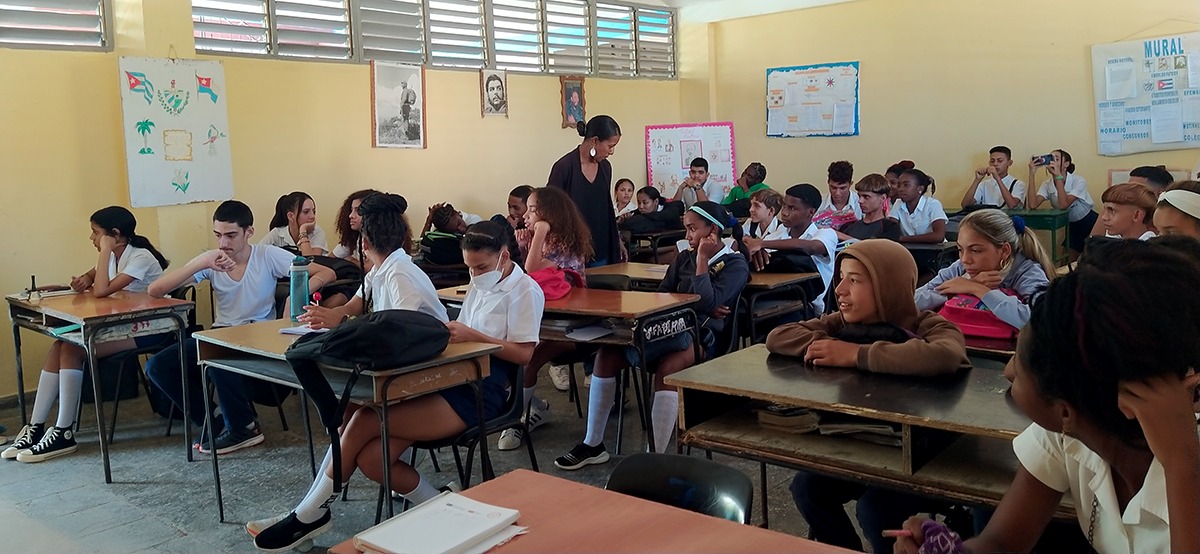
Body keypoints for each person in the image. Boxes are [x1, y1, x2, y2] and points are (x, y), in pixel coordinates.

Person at [251, 221, 544, 552]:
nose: (474, 275)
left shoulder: (526, 290)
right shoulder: (479, 283)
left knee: (365, 418)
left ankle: (309, 514)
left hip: (484, 392)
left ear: (504, 256)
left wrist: (473, 335)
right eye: (470, 268)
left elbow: (524, 354)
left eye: (481, 267)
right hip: (450, 377)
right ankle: (446, 508)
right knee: (373, 460)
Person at [895, 239, 1200, 554]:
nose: (1010, 371)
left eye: (1021, 360)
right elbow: (1001, 543)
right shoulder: (1068, 433)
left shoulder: (1184, 459)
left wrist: (1182, 463)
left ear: (1066, 409)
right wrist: (954, 551)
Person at [765, 239, 970, 553]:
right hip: (862, 444)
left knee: (875, 509)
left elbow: (945, 355)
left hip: (920, 458)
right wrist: (828, 345)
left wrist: (855, 354)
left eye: (855, 280)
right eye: (841, 278)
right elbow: (779, 336)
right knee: (807, 488)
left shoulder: (928, 325)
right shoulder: (843, 322)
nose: (840, 290)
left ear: (889, 286)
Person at [555, 202, 750, 469]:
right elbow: (663, 295)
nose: (687, 236)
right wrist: (698, 302)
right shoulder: (684, 258)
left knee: (669, 367)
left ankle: (654, 455)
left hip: (702, 337)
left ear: (712, 231)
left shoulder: (735, 264)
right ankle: (593, 444)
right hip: (664, 329)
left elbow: (706, 301)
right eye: (686, 229)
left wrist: (703, 262)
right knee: (606, 354)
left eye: (692, 229)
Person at [144, 201, 335, 454]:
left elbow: (326, 272)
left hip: (256, 337)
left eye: (231, 235)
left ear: (249, 232)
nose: (223, 243)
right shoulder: (213, 261)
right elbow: (155, 290)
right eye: (218, 235)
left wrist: (296, 293)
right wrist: (202, 262)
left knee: (219, 358)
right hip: (220, 335)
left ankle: (244, 427)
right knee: (157, 366)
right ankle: (215, 421)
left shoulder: (266, 255)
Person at [2, 207, 168, 463]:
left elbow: (101, 290)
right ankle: (36, 426)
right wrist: (83, 280)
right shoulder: (115, 255)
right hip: (122, 325)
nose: (92, 238)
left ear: (114, 234)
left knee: (72, 348)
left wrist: (104, 252)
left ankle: (63, 431)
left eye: (95, 233)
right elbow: (92, 278)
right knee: (60, 345)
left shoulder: (140, 257)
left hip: (150, 330)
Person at [494, 187, 593, 451]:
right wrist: (523, 244)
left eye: (532, 210)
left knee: (528, 360)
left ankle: (513, 422)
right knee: (503, 356)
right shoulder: (542, 239)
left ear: (550, 214)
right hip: (544, 322)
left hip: (573, 329)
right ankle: (535, 407)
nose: (525, 215)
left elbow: (531, 269)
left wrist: (539, 233)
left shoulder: (563, 242)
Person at [914, 209, 1054, 330]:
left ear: (1005, 251)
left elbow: (1042, 318)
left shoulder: (1026, 271)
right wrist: (958, 288)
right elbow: (912, 301)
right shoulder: (960, 268)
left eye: (975, 250)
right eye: (960, 249)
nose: (965, 259)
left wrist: (977, 289)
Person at [742, 183, 838, 314]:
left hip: (808, 307)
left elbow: (809, 247)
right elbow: (761, 249)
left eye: (792, 208)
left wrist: (762, 244)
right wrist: (758, 251)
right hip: (778, 299)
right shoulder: (781, 231)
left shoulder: (826, 234)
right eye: (784, 206)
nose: (784, 213)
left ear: (810, 212)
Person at [547, 115, 624, 267]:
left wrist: (617, 240)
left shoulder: (605, 167)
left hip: (602, 246)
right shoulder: (564, 167)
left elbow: (605, 207)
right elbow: (551, 211)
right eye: (610, 146)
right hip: (572, 250)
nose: (612, 152)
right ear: (595, 141)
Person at [1027, 149, 1097, 261]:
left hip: (1089, 222)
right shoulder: (1047, 184)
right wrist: (1031, 174)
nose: (1052, 161)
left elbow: (1064, 205)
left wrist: (1058, 176)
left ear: (1066, 164)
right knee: (1067, 262)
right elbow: (1032, 205)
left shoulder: (1078, 181)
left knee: (1090, 260)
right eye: (1050, 158)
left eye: (1056, 159)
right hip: (1072, 225)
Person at [836, 174, 901, 242]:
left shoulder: (890, 228)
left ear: (882, 198)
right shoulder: (848, 226)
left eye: (866, 197)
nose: (860, 201)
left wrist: (846, 238)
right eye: (859, 196)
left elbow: (878, 247)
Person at [260, 191, 328, 256]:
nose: (312, 216)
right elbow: (257, 253)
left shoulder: (317, 232)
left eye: (313, 211)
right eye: (306, 212)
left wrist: (303, 231)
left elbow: (312, 261)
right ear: (290, 216)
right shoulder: (277, 234)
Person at [891, 168, 948, 244]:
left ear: (920, 188)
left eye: (906, 185)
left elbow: (939, 236)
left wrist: (903, 239)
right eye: (899, 185)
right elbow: (890, 230)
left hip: (935, 248)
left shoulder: (933, 204)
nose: (900, 189)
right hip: (909, 247)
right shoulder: (898, 203)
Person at [960, 146, 1026, 209]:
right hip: (986, 216)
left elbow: (1012, 205)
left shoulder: (1018, 184)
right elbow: (965, 205)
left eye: (1000, 161)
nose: (995, 164)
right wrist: (977, 180)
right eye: (992, 161)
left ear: (1010, 163)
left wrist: (997, 178)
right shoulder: (984, 184)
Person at [332, 189, 380, 270]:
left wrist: (350, 260)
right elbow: (330, 258)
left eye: (357, 210)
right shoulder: (355, 236)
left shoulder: (380, 237)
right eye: (351, 210)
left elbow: (368, 268)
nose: (351, 215)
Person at [814, 160, 862, 230]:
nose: (837, 193)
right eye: (833, 188)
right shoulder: (818, 202)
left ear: (850, 184)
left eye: (842, 188)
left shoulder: (861, 202)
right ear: (828, 182)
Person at [619, 186, 684, 234]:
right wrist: (623, 219)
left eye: (645, 203)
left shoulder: (669, 211)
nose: (641, 206)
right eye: (639, 203)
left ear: (656, 201)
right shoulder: (640, 212)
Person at [505, 185, 535, 262]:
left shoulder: (536, 229)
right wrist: (509, 229)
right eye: (509, 206)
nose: (511, 212)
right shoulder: (506, 225)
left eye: (516, 208)